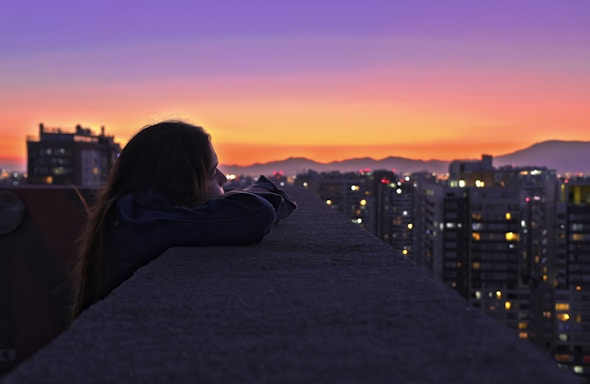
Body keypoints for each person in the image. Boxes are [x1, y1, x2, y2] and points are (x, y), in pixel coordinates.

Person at [70, 120, 296, 320]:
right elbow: (256, 213)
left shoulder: (137, 213)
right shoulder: (141, 223)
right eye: (211, 172)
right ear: (182, 183)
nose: (223, 178)